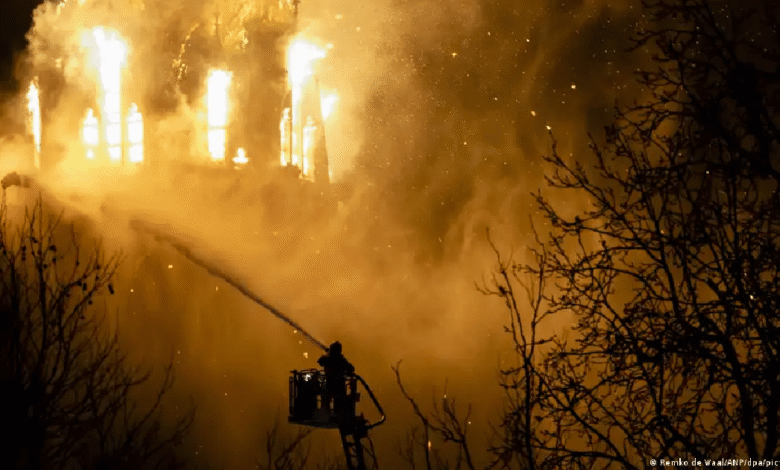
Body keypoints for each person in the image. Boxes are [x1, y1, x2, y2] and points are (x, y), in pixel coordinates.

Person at [317, 341, 355, 419]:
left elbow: (320, 361)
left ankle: (327, 414)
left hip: (330, 382)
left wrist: (327, 354)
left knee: (327, 399)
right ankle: (337, 414)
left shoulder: (328, 358)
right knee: (338, 400)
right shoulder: (341, 360)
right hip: (339, 383)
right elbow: (350, 368)